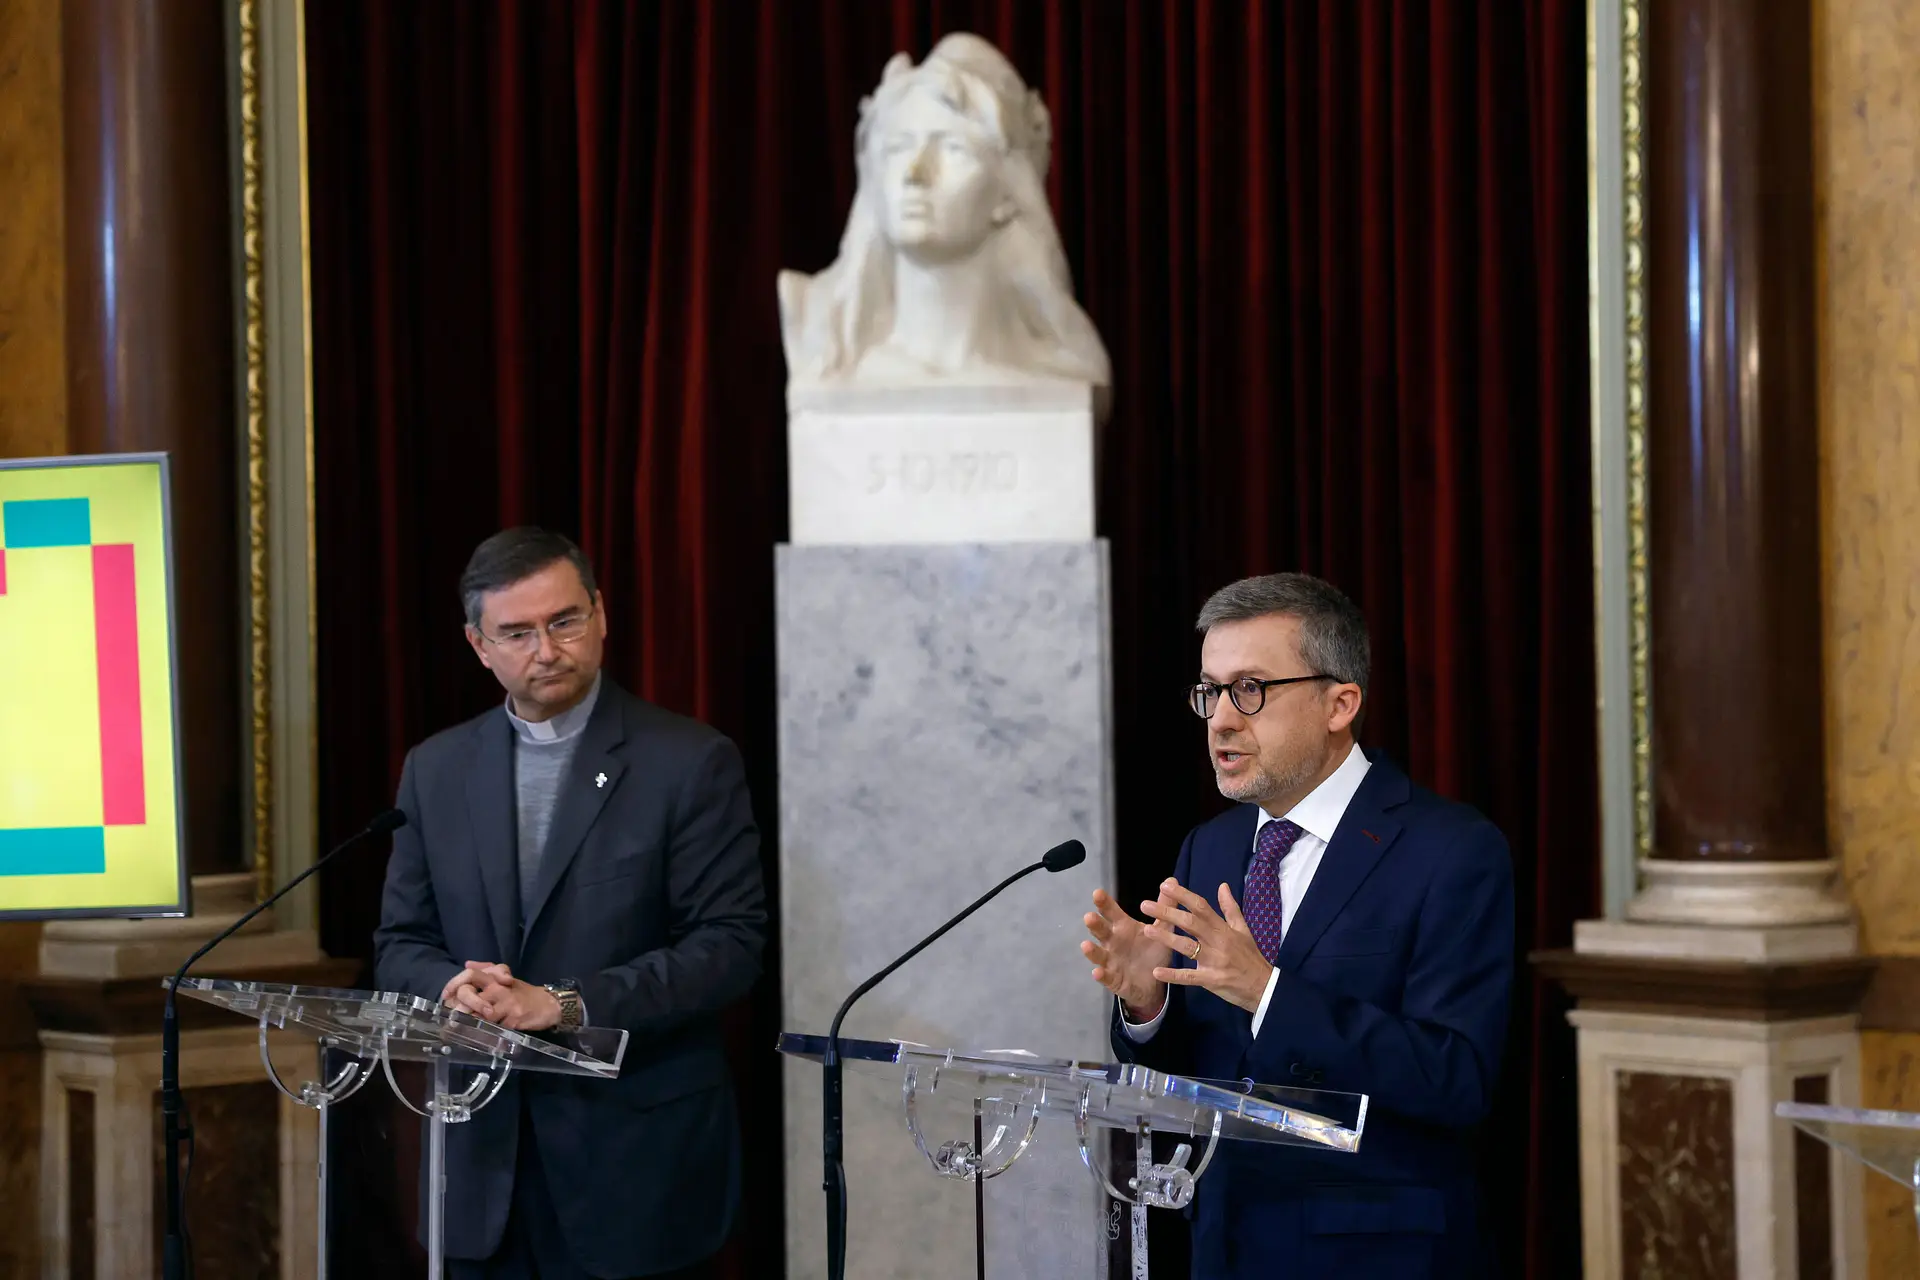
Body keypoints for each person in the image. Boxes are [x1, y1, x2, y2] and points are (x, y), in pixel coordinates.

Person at [1081, 573, 1513, 1278]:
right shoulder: (1210, 846)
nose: (1221, 719)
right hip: (1225, 1239)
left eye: (1250, 689)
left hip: (1378, 1252)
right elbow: (1205, 1071)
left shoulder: (1451, 850)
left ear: (1340, 703)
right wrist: (1147, 1007)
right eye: (1210, 691)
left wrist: (1268, 993)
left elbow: (1455, 1079)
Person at [374, 527, 768, 1280]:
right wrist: (453, 990)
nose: (546, 650)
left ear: (601, 615)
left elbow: (727, 948)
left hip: (631, 1169)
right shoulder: (437, 769)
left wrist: (562, 1003)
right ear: (478, 645)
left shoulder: (688, 762)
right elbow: (400, 942)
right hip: (480, 1166)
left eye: (564, 622)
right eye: (517, 633)